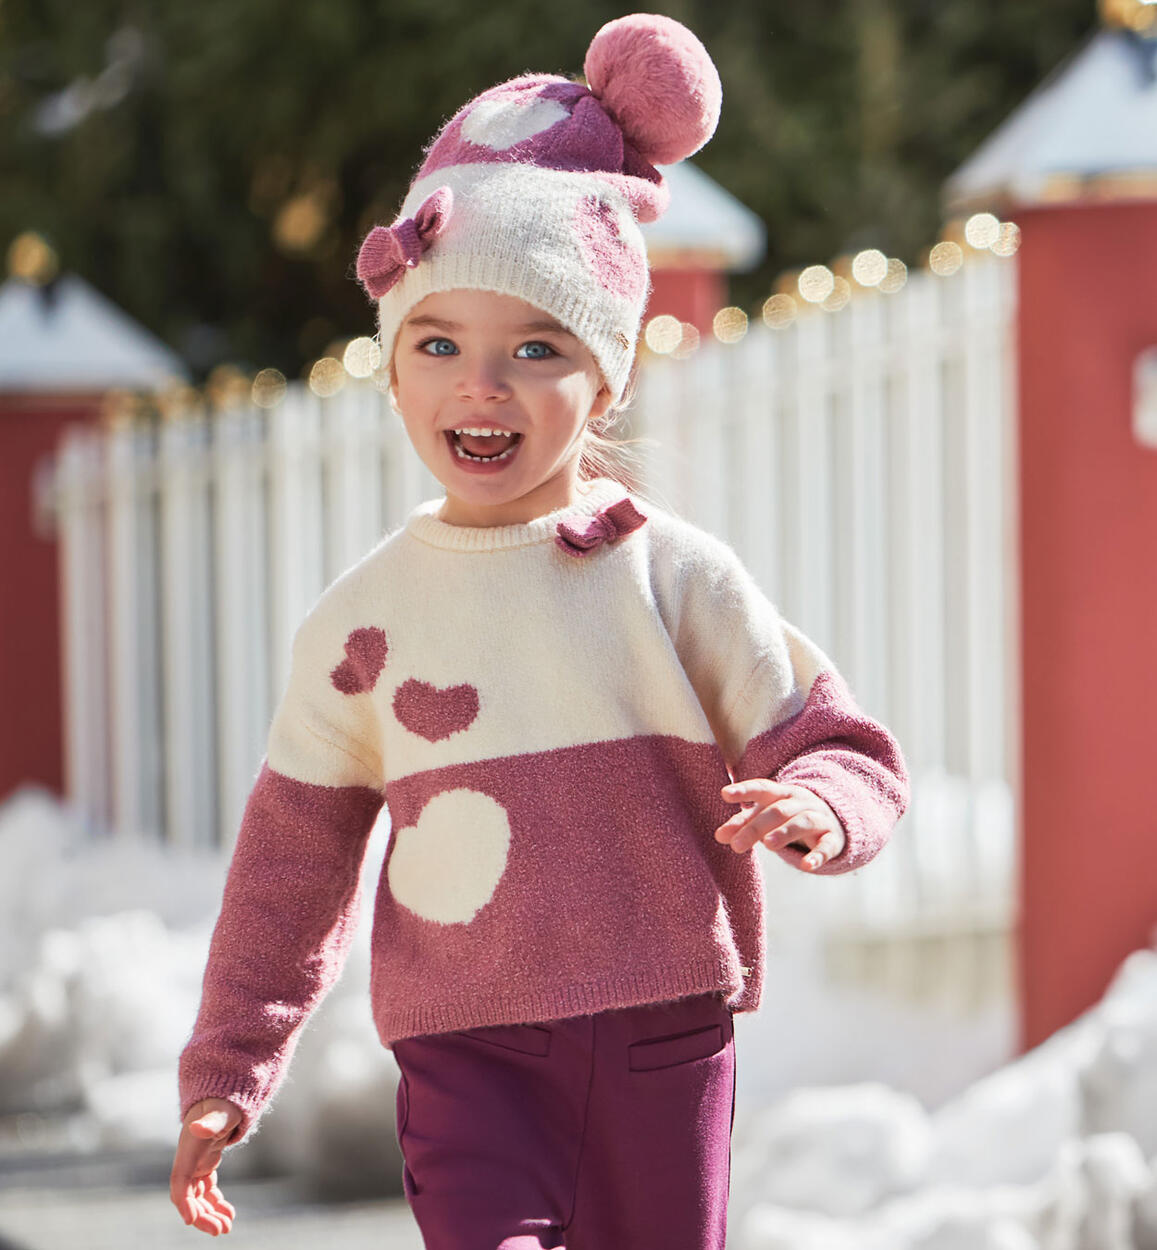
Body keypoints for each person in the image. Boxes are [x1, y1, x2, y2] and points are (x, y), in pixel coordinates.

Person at [170, 14, 910, 1249]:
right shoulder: (361, 623)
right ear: (393, 366)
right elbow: (288, 863)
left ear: (605, 375)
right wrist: (227, 1065)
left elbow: (841, 743)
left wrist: (816, 806)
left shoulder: (670, 577)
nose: (482, 383)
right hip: (465, 1051)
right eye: (438, 343)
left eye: (535, 347)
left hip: (663, 1032)